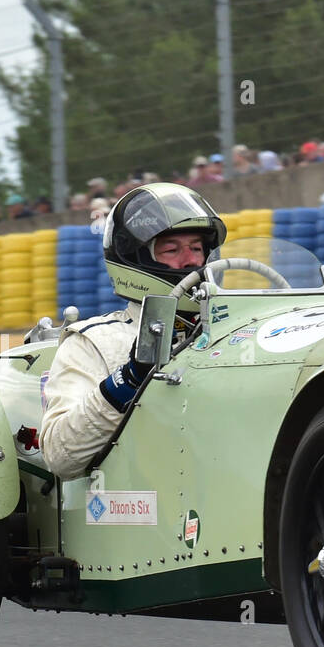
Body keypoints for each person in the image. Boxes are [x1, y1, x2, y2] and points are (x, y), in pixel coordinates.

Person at [39, 183, 227, 480]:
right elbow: (60, 457)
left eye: (196, 248)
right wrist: (128, 378)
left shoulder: (234, 329)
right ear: (138, 260)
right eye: (172, 249)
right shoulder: (93, 342)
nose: (191, 260)